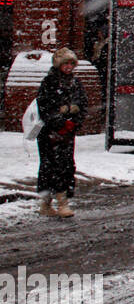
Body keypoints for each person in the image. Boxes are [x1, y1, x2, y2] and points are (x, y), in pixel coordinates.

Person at [35, 48, 88, 218]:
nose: (69, 66)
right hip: (50, 133)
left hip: (66, 134)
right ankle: (47, 202)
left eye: (72, 63)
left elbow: (83, 104)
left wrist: (74, 121)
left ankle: (62, 201)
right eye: (66, 63)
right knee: (50, 166)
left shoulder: (75, 83)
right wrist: (59, 120)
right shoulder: (49, 82)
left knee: (65, 166)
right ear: (58, 64)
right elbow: (44, 107)